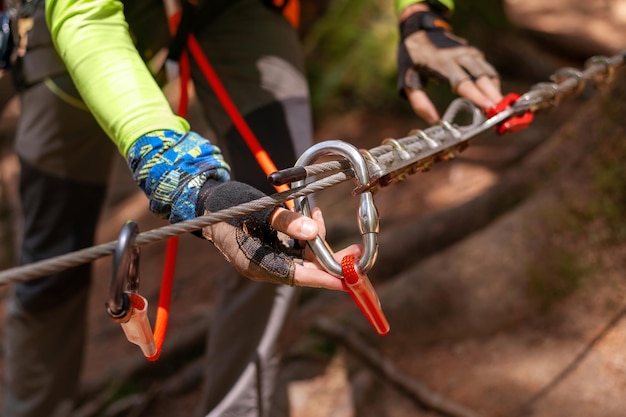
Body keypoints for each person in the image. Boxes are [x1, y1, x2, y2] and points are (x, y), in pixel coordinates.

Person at [1, 0, 502, 416]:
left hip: (234, 8)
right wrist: (179, 176)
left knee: (281, 226)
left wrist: (420, 14)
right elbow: (86, 17)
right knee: (53, 262)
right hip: (77, 31)